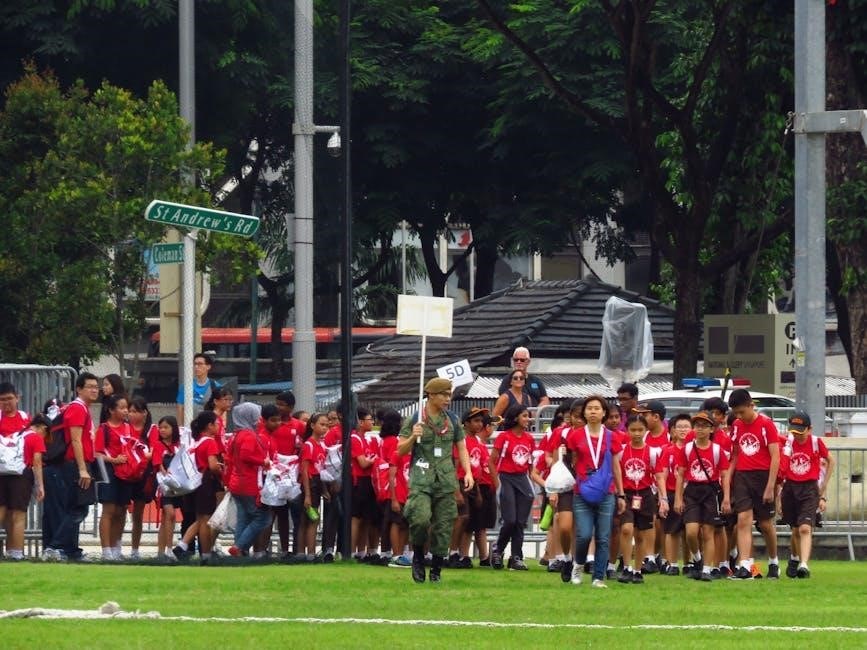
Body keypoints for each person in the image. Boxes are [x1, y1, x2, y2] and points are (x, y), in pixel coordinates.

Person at [397, 377, 473, 584]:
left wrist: (467, 472)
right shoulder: (415, 419)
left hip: (446, 480)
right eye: (443, 394)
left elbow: (462, 447)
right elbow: (400, 450)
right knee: (420, 519)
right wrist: (413, 437)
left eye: (449, 394)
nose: (448, 399)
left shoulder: (453, 420)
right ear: (430, 395)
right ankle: (418, 557)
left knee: (444, 525)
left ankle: (437, 568)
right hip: (421, 479)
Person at [564, 394, 626, 588]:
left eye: (597, 408)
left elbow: (616, 466)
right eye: (589, 408)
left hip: (606, 491)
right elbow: (570, 461)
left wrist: (621, 494)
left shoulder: (612, 436)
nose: (593, 412)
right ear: (584, 412)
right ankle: (578, 566)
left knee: (603, 537)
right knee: (583, 535)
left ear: (603, 413)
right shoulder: (575, 435)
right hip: (582, 491)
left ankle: (598, 577)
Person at [43, 372, 100, 562]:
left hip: (75, 463)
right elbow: (75, 440)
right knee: (79, 508)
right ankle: (55, 546)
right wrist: (82, 469)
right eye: (89, 387)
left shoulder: (81, 408)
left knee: (72, 507)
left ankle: (70, 550)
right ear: (79, 389)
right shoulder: (78, 408)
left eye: (96, 387)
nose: (94, 390)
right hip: (74, 464)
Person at [728, 388, 781, 579]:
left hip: (763, 476)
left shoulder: (767, 425)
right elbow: (735, 454)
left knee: (765, 524)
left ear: (751, 405)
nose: (739, 416)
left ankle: (773, 561)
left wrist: (770, 486)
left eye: (742, 412)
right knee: (743, 520)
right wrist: (729, 478)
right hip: (743, 476)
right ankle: (745, 565)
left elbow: (775, 456)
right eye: (736, 413)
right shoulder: (736, 425)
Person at [674, 411, 731, 582]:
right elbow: (680, 475)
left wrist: (726, 498)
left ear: (711, 429)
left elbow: (725, 476)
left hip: (710, 492)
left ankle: (706, 569)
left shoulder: (717, 450)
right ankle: (698, 558)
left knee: (708, 532)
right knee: (691, 532)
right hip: (692, 491)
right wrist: (678, 498)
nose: (700, 429)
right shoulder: (687, 449)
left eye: (704, 426)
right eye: (697, 426)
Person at [780, 411, 834, 579]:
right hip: (790, 488)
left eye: (800, 432)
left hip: (809, 488)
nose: (797, 436)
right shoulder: (788, 442)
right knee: (796, 529)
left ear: (809, 429)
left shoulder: (816, 442)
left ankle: (804, 565)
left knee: (805, 527)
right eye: (794, 432)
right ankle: (794, 557)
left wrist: (823, 488)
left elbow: (830, 461)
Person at [616, 414, 668, 584]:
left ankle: (638, 570)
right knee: (626, 529)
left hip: (645, 495)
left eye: (640, 430)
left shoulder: (652, 452)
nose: (637, 433)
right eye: (633, 430)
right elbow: (617, 473)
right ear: (627, 431)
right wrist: (619, 494)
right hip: (626, 494)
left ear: (646, 430)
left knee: (641, 535)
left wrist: (663, 499)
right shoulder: (621, 451)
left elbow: (659, 476)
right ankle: (626, 567)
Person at [491, 404, 536, 571]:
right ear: (516, 417)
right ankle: (498, 550)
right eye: (524, 416)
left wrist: (533, 482)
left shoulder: (529, 439)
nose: (527, 419)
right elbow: (491, 461)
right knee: (509, 520)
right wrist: (497, 482)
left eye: (528, 416)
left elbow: (531, 465)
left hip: (522, 479)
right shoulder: (504, 437)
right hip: (506, 478)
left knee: (520, 522)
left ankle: (516, 557)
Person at [226, 402, 272, 557]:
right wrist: (263, 461)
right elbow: (246, 455)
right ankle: (239, 546)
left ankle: (239, 551)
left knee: (243, 517)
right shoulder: (249, 435)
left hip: (236, 481)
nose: (258, 419)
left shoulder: (237, 434)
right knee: (262, 518)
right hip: (249, 482)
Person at [0, 412, 47, 560]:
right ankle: (16, 553)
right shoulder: (35, 438)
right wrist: (40, 485)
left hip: (2, 474)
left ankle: (8, 550)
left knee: (3, 514)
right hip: (21, 477)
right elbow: (37, 462)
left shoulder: (13, 436)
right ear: (43, 428)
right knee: (18, 516)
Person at [95, 394, 135, 561]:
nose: (126, 411)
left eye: (127, 408)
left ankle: (116, 548)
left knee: (121, 510)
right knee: (109, 510)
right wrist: (113, 460)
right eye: (121, 407)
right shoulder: (104, 428)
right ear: (111, 410)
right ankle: (106, 551)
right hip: (109, 472)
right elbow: (97, 454)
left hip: (126, 473)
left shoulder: (128, 428)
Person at [660, 413, 690, 575]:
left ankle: (688, 563)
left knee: (689, 531)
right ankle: (671, 563)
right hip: (672, 493)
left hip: (691, 494)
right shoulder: (668, 450)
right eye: (680, 427)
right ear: (673, 430)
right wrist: (663, 498)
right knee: (672, 530)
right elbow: (662, 474)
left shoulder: (693, 449)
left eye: (686, 427)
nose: (683, 430)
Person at [127, 396, 156, 560]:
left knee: (138, 514)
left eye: (135, 411)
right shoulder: (125, 428)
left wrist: (139, 457)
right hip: (126, 473)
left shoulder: (151, 430)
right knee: (119, 511)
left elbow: (153, 452)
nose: (131, 414)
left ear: (144, 413)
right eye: (130, 411)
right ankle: (114, 548)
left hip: (143, 474)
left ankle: (135, 550)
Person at [300, 412, 329, 561]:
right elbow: (304, 471)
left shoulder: (321, 445)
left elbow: (321, 468)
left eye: (327, 425)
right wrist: (307, 495)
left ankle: (309, 553)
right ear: (312, 425)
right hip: (310, 484)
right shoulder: (309, 445)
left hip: (318, 483)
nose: (325, 428)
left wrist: (324, 489)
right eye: (322, 424)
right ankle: (308, 554)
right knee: (311, 520)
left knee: (313, 519)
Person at [153, 415, 182, 561]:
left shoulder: (179, 445)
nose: (162, 430)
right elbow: (158, 464)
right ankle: (167, 549)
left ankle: (163, 552)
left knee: (167, 518)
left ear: (173, 428)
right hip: (164, 485)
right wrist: (167, 475)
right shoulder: (158, 445)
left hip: (177, 485)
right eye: (160, 427)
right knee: (170, 514)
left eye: (166, 427)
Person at [176, 353, 220, 424]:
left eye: (200, 364)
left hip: (208, 426)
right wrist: (180, 427)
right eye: (195, 364)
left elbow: (221, 408)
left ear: (208, 367)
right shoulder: (186, 386)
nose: (196, 367)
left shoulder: (215, 386)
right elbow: (180, 407)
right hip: (189, 425)